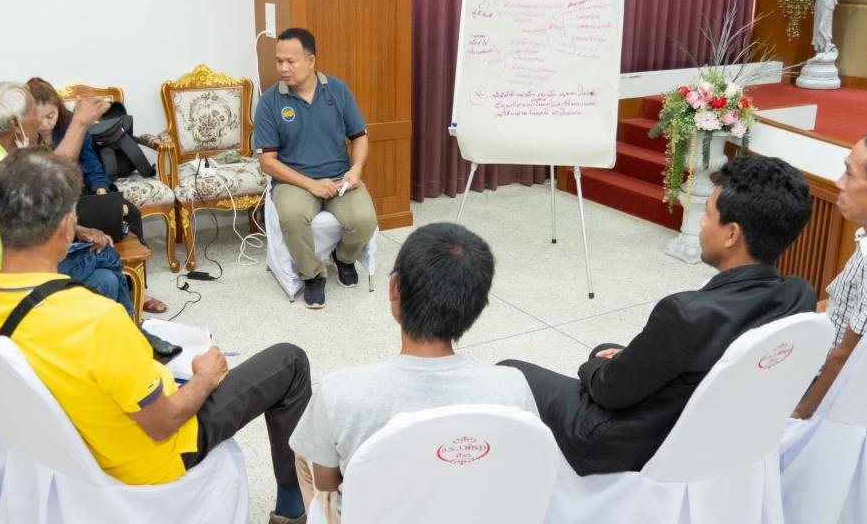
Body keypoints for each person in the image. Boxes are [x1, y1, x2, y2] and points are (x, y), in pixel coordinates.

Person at [0, 147, 312, 524]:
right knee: (289, 361)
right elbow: (162, 423)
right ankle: (292, 510)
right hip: (149, 458)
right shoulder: (97, 319)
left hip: (68, 446)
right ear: (67, 226)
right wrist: (205, 378)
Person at [500, 155, 816, 475]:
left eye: (708, 214)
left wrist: (593, 367)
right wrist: (625, 359)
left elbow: (609, 393)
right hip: (705, 434)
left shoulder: (685, 314)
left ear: (731, 234)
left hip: (623, 444)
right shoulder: (798, 295)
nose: (702, 223)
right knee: (606, 350)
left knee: (510, 372)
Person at [289, 222, 539, 521]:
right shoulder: (512, 388)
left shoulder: (340, 393)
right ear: (479, 303)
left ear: (394, 288)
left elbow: (328, 483)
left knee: (306, 452)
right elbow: (524, 467)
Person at [0, 82, 137, 318]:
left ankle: (110, 328)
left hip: (16, 261)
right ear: (14, 123)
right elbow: (50, 181)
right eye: (32, 113)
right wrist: (79, 122)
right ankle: (131, 327)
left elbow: (30, 213)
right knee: (106, 254)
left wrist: (79, 230)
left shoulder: (8, 153)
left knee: (105, 279)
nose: (38, 121)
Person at [792, 128, 867, 419]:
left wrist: (800, 414)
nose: (838, 183)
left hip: (834, 395)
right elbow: (838, 305)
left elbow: (845, 355)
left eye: (849, 174)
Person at [254, 27, 378, 309]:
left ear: (311, 61)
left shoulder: (337, 90)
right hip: (294, 181)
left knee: (364, 220)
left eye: (290, 61)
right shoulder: (270, 102)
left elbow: (359, 136)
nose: (283, 68)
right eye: (279, 61)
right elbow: (267, 162)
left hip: (339, 176)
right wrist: (311, 185)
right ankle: (312, 275)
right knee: (292, 217)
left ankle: (344, 259)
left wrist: (356, 169)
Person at [25, 77, 167, 315]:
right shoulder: (25, 135)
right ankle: (109, 280)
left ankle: (139, 288)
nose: (45, 123)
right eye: (39, 118)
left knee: (128, 213)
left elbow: (92, 166)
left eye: (50, 115)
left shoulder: (71, 125)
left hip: (81, 190)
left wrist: (103, 196)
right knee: (86, 224)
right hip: (49, 200)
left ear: (58, 109)